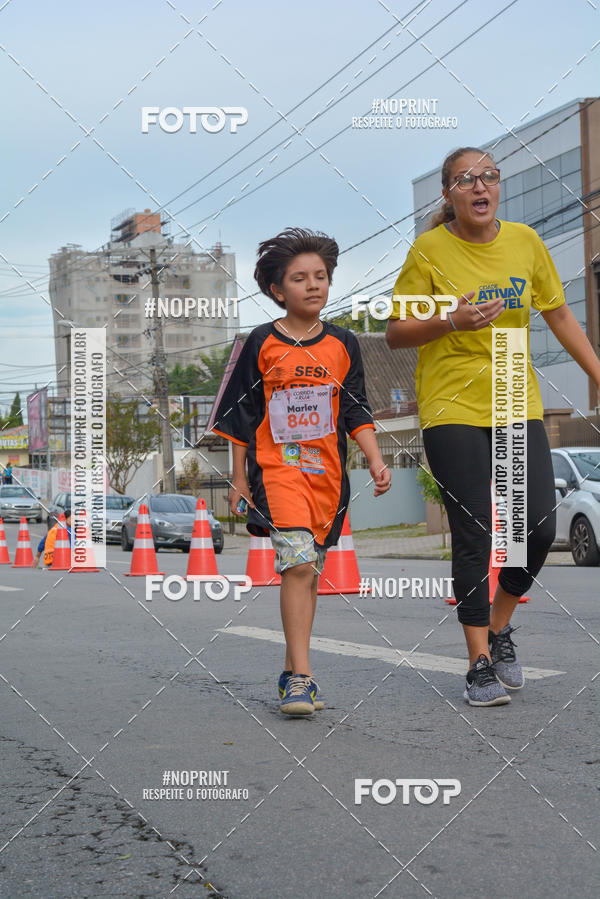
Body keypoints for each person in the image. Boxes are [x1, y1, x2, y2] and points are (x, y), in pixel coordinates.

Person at [386, 147, 600, 707]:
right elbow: (396, 332)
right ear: (449, 195)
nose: (480, 186)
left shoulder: (526, 243)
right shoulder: (430, 249)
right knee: (477, 528)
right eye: (465, 179)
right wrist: (449, 319)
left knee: (535, 528)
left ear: (497, 187)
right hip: (451, 399)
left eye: (489, 176)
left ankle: (500, 628)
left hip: (511, 386)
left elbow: (558, 314)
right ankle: (478, 662)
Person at [212, 227, 391, 716]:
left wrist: (374, 459)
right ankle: (304, 679)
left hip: (327, 478)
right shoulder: (261, 343)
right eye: (299, 278)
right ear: (277, 290)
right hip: (278, 471)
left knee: (308, 572)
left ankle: (293, 670)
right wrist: (240, 479)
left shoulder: (343, 343)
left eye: (320, 277)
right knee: (296, 564)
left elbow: (356, 409)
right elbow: (241, 416)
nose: (313, 285)